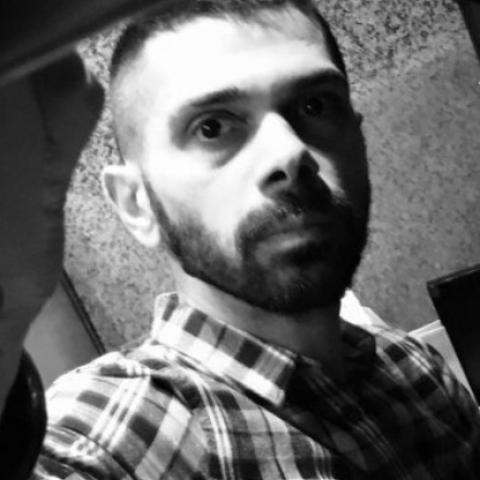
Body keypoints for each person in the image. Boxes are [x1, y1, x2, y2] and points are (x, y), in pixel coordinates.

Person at [0, 0, 479, 478]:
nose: (289, 152)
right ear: (135, 203)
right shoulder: (123, 434)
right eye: (212, 127)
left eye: (315, 105)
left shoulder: (419, 374)